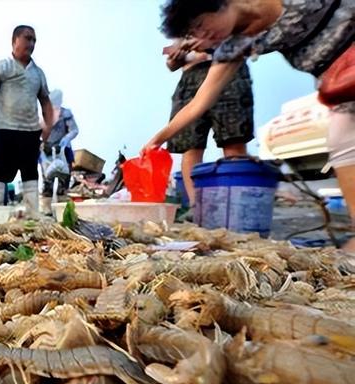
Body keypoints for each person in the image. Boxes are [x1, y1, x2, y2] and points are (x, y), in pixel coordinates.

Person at [144, 0, 355, 252]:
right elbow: (198, 102)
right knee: (342, 139)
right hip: (340, 86)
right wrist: (158, 138)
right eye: (194, 33)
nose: (202, 36)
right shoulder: (234, 45)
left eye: (201, 24)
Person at [164, 38, 254, 210]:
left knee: (233, 141)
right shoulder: (183, 26)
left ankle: (235, 204)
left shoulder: (224, 12)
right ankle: (195, 206)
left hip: (228, 69)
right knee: (190, 146)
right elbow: (171, 65)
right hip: (191, 77)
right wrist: (176, 57)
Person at [0, 25, 54, 216]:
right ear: (15, 40)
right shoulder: (2, 66)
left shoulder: (38, 73)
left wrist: (48, 126)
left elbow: (45, 101)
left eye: (34, 40)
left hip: (30, 132)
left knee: (30, 174)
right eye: (28, 38)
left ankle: (33, 217)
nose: (31, 43)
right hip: (4, 130)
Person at [39, 89, 79, 215]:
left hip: (63, 152)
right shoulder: (43, 115)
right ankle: (47, 210)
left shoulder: (65, 113)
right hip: (47, 151)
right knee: (47, 182)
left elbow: (74, 130)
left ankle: (62, 210)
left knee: (63, 182)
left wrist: (67, 138)